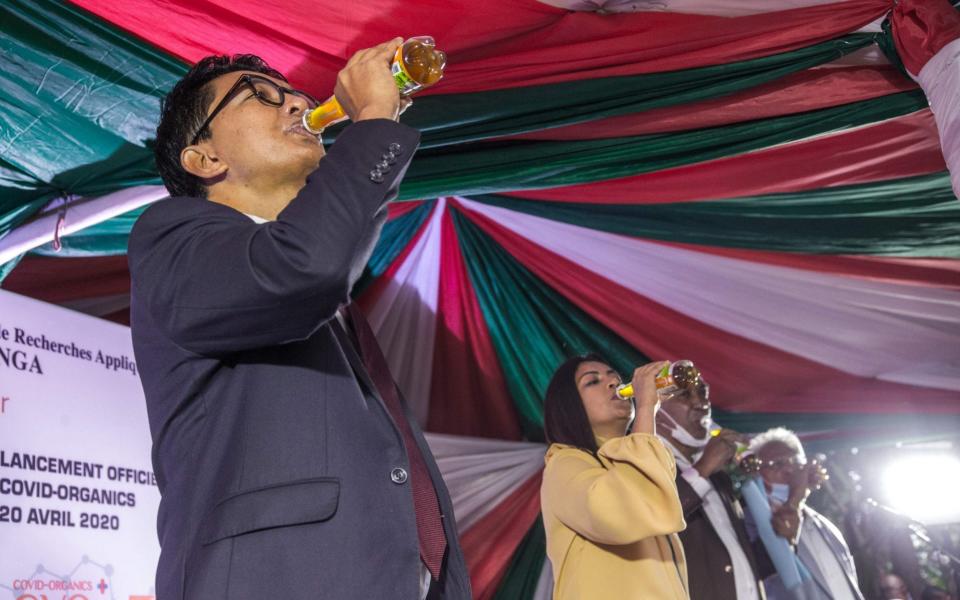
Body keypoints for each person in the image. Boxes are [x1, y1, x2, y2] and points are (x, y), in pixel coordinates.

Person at [128, 44, 469, 599]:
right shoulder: (171, 236)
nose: (294, 105)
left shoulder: (334, 303)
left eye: (295, 96)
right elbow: (305, 266)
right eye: (260, 98)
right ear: (205, 159)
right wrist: (375, 124)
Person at [540, 354, 688, 600]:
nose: (612, 384)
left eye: (615, 378)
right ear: (567, 406)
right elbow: (622, 513)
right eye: (592, 381)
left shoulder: (631, 460)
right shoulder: (563, 464)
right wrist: (645, 408)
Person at [656, 376, 766, 600]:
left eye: (703, 392)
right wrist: (703, 468)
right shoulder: (648, 465)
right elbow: (653, 517)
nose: (702, 404)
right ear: (655, 408)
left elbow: (738, 559)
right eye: (685, 394)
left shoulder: (719, 477)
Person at [748, 428, 863, 600]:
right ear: (756, 473)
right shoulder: (749, 524)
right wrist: (795, 497)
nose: (789, 469)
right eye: (777, 464)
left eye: (794, 461)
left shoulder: (826, 525)